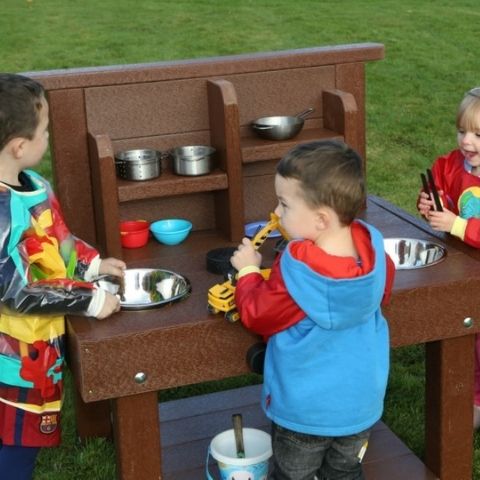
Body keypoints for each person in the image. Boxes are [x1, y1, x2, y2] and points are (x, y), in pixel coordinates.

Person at [231, 139, 395, 480]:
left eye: (284, 205)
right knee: (345, 471)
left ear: (321, 220)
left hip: (304, 411)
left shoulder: (298, 271)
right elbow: (382, 292)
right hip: (359, 407)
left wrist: (247, 272)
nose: (276, 214)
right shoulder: (374, 249)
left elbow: (258, 314)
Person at [0, 73, 126, 479]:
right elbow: (16, 289)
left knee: (25, 437)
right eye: (46, 129)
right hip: (11, 357)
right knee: (12, 441)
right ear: (20, 146)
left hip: (37, 346)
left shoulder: (35, 185)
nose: (49, 137)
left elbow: (58, 239)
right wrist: (89, 299)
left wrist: (92, 264)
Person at [417, 86, 480, 428]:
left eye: (479, 134)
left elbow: (458, 222)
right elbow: (435, 188)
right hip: (460, 266)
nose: (467, 142)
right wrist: (428, 201)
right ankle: (467, 394)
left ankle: (474, 401)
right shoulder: (450, 164)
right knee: (461, 334)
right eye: (462, 131)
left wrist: (457, 224)